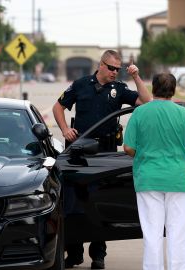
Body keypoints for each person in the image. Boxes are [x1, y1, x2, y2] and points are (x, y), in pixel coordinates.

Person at [52, 49, 151, 269]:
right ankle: (74, 252)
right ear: (101, 65)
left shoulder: (119, 89)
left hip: (105, 150)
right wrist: (65, 129)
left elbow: (146, 101)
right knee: (74, 202)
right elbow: (58, 107)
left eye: (119, 69)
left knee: (99, 200)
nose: (116, 72)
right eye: (112, 68)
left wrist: (135, 76)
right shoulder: (80, 84)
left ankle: (98, 254)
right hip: (78, 151)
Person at [123, 73, 185, 270]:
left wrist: (144, 155)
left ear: (153, 88)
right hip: (178, 178)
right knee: (179, 232)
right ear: (173, 91)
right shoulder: (184, 114)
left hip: (148, 178)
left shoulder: (140, 113)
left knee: (152, 232)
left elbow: (128, 148)